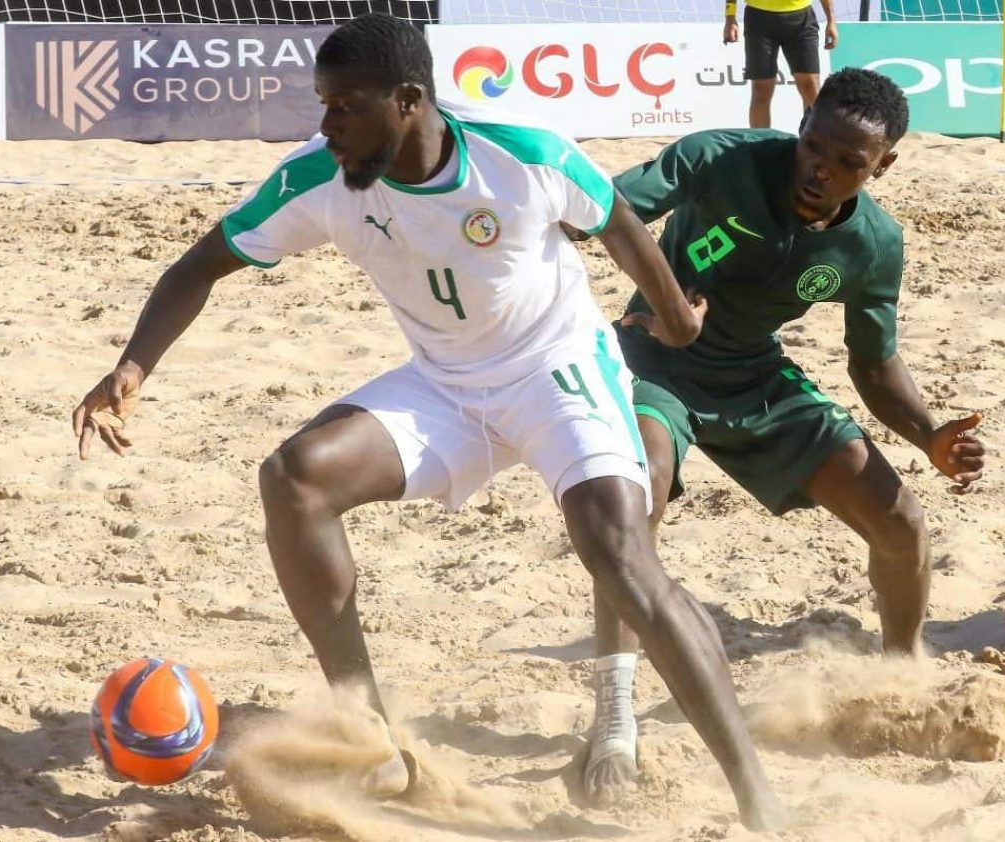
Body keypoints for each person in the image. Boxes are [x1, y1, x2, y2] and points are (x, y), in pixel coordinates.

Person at [70, 13, 785, 831]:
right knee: (295, 477)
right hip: (446, 387)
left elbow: (616, 223)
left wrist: (676, 320)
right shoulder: (316, 179)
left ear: (409, 100)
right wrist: (131, 367)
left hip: (556, 368)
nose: (326, 124)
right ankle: (369, 733)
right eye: (322, 104)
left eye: (345, 106)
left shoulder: (526, 155)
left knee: (617, 549)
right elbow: (203, 262)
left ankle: (756, 797)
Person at [578, 68, 986, 801]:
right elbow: (603, 209)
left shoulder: (874, 244)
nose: (819, 169)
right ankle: (613, 719)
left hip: (758, 379)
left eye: (847, 162)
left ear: (882, 165)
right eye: (812, 145)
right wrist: (670, 306)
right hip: (654, 360)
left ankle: (898, 674)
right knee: (635, 506)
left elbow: (873, 361)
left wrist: (927, 433)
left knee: (901, 523)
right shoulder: (721, 158)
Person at [723, 0, 839, 129]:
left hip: (801, 19)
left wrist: (831, 20)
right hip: (758, 19)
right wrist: (730, 17)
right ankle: (760, 144)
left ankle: (815, 144)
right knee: (761, 89)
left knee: (810, 88)